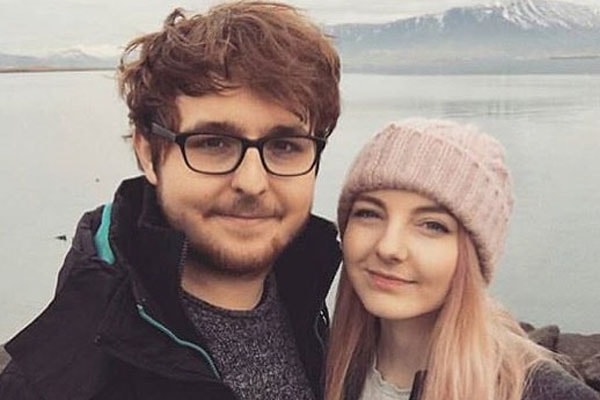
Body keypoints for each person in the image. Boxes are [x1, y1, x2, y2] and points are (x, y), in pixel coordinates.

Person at [0, 2, 341, 399]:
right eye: (213, 143)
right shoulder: (57, 382)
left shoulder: (324, 317)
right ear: (148, 153)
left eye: (285, 145)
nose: (252, 183)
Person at [325, 119, 600, 400]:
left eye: (432, 225)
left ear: (475, 255)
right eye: (369, 213)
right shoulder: (318, 361)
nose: (388, 247)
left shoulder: (541, 393)